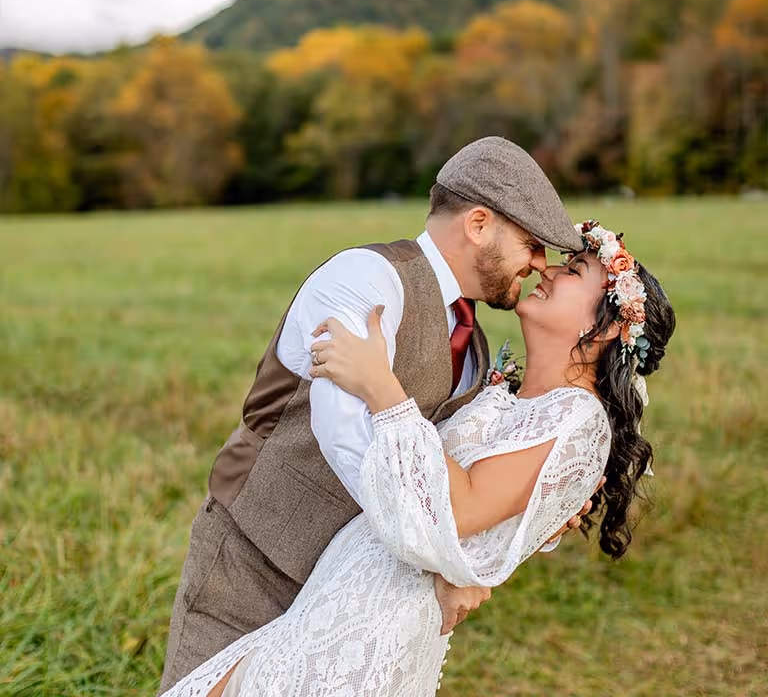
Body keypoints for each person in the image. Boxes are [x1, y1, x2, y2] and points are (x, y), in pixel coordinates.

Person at [162, 219, 675, 697]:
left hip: (377, 616)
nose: (549, 269)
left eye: (575, 271)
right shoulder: (501, 391)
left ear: (608, 326)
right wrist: (471, 567)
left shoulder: (577, 419)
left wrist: (381, 386)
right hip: (341, 588)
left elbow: (464, 509)